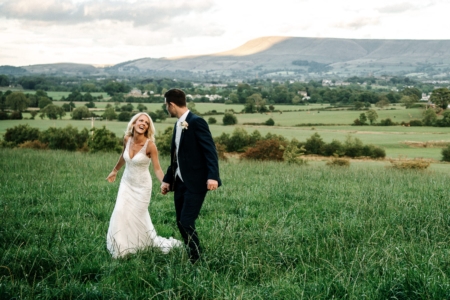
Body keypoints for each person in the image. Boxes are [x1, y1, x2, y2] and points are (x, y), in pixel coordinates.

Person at [106, 112, 182, 258]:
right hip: (126, 183)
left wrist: (164, 183)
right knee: (121, 212)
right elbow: (123, 155)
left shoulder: (150, 146)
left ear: (148, 128)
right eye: (141, 121)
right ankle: (121, 248)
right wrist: (114, 171)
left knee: (138, 216)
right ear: (134, 123)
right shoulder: (127, 139)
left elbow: (158, 169)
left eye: (146, 123)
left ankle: (141, 245)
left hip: (142, 187)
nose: (143, 124)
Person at [160, 88, 221, 263]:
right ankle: (192, 254)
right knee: (180, 221)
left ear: (171, 104)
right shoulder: (178, 124)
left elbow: (210, 151)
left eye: (166, 105)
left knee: (186, 221)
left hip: (196, 181)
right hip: (179, 182)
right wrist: (167, 179)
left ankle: (197, 259)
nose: (167, 109)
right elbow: (176, 156)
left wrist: (213, 176)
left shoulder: (196, 122)